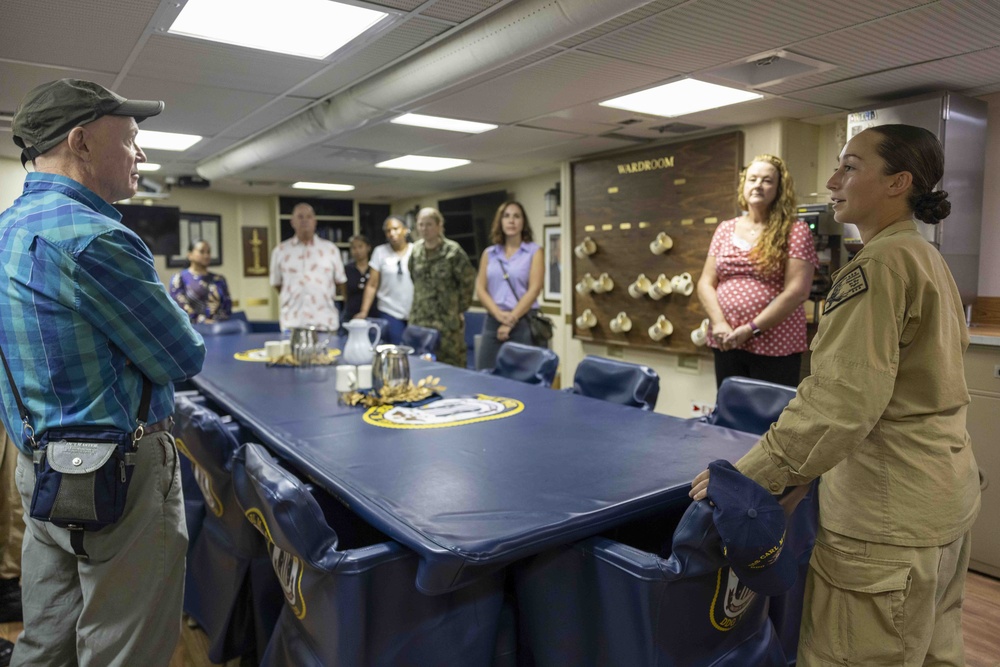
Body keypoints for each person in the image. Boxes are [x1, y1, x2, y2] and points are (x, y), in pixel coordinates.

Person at [690, 125, 981, 666]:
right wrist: (802, 480)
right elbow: (887, 397)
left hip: (885, 518)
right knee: (933, 651)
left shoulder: (876, 267)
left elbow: (839, 404)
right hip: (940, 500)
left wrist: (750, 476)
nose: (831, 180)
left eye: (849, 166)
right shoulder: (924, 257)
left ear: (899, 182)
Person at [1, 79, 205, 666]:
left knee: (47, 640)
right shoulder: (97, 236)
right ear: (81, 142)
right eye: (133, 140)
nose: (142, 155)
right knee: (123, 647)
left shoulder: (7, 230)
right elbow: (183, 355)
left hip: (40, 467)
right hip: (120, 476)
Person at [696, 155, 818, 388]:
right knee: (730, 410)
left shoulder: (796, 230)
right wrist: (719, 324)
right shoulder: (725, 228)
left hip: (774, 342)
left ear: (780, 189)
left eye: (767, 180)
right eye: (752, 179)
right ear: (743, 185)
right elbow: (705, 283)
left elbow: (797, 292)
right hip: (727, 339)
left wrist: (751, 329)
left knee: (769, 416)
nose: (758, 185)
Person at [475, 201, 544, 370]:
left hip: (523, 322)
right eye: (506, 216)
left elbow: (534, 289)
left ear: (523, 222)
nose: (511, 221)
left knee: (522, 378)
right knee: (484, 374)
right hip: (494, 320)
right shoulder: (489, 253)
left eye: (516, 216)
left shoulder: (534, 252)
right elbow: (480, 289)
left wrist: (510, 320)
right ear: (500, 222)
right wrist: (498, 315)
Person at [408, 207, 476, 366]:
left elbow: (467, 283)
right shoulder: (416, 251)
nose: (425, 229)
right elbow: (413, 277)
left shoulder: (453, 251)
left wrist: (457, 309)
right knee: (419, 366)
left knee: (452, 366)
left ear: (439, 226)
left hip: (446, 323)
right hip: (420, 320)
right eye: (421, 225)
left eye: (429, 224)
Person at [270, 202, 347, 332]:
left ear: (315, 221)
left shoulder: (330, 250)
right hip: (293, 323)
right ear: (292, 222)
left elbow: (340, 282)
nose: (305, 220)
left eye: (309, 217)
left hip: (324, 322)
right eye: (300, 217)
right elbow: (277, 284)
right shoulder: (280, 251)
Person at [354, 215, 413, 344]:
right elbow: (372, 284)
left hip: (414, 310)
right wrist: (364, 311)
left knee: (415, 351)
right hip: (389, 309)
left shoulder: (415, 250)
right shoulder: (380, 252)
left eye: (396, 229)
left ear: (405, 230)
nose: (392, 233)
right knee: (396, 347)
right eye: (388, 231)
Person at [168, 240, 232, 323]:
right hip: (192, 328)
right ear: (190, 255)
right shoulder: (179, 278)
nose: (206, 255)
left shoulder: (219, 279)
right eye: (201, 252)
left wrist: (218, 321)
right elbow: (180, 307)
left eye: (208, 252)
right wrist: (203, 321)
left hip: (219, 328)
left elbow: (227, 306)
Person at [342, 234, 372, 325]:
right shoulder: (347, 268)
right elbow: (344, 291)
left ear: (368, 248)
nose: (357, 251)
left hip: (372, 313)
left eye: (360, 247)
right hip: (351, 312)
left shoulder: (374, 268)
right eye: (354, 248)